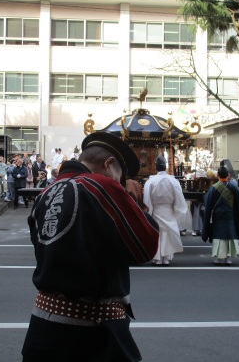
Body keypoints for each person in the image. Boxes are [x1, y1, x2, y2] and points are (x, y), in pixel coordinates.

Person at [21, 132, 159, 362]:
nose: (119, 184)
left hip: (42, 326)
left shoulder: (46, 193)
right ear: (109, 164)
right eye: (120, 178)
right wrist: (131, 200)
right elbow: (147, 244)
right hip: (90, 333)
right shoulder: (101, 185)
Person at [143, 156, 187, 266]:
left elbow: (147, 199)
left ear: (155, 167)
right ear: (165, 166)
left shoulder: (151, 181)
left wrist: (149, 211)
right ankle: (166, 258)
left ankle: (157, 258)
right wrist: (176, 209)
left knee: (157, 234)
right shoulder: (173, 181)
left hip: (156, 209)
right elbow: (179, 198)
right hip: (168, 210)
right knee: (168, 233)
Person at [202, 164, 239, 265]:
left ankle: (219, 257)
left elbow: (207, 203)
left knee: (218, 236)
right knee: (229, 234)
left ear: (217, 175)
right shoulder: (234, 187)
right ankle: (228, 257)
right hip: (230, 216)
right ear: (228, 175)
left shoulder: (213, 188)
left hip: (218, 217)